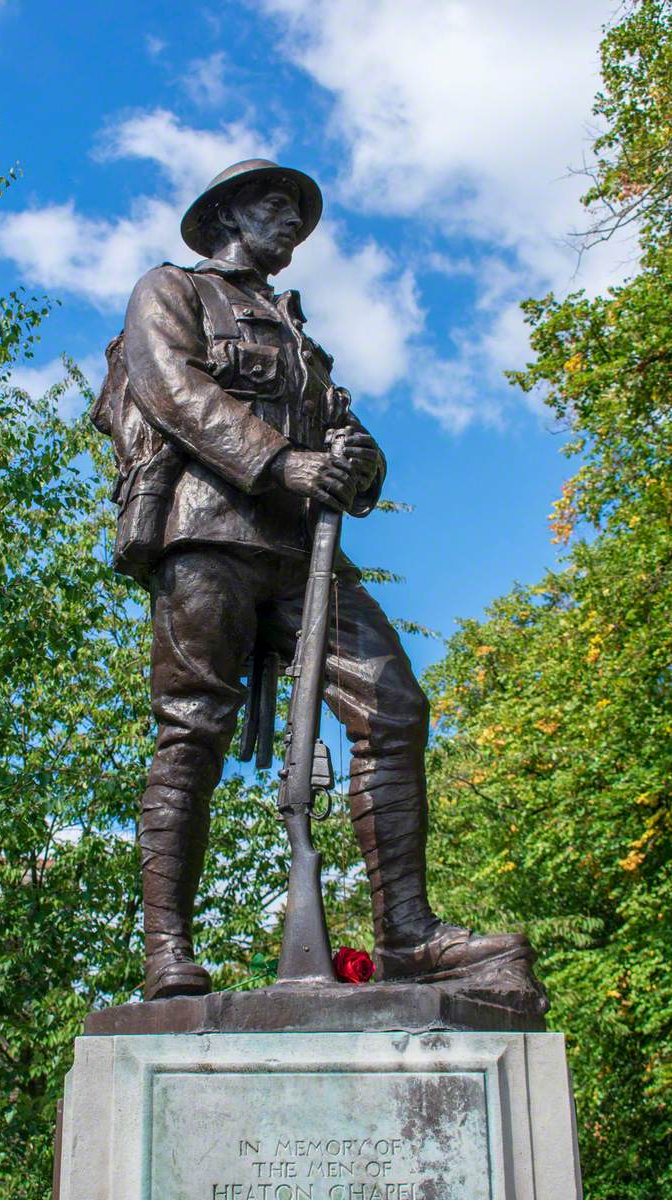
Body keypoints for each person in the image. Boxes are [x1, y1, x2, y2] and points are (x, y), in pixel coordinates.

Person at [120, 160, 528, 1000]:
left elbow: (346, 429)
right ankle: (168, 948)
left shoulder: (298, 333)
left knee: (393, 704)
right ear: (230, 213)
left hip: (306, 553)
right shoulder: (176, 290)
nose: (292, 224)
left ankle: (407, 935)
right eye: (276, 206)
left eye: (299, 214)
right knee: (191, 728)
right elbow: (170, 388)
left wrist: (358, 460)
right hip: (210, 533)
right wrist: (282, 463)